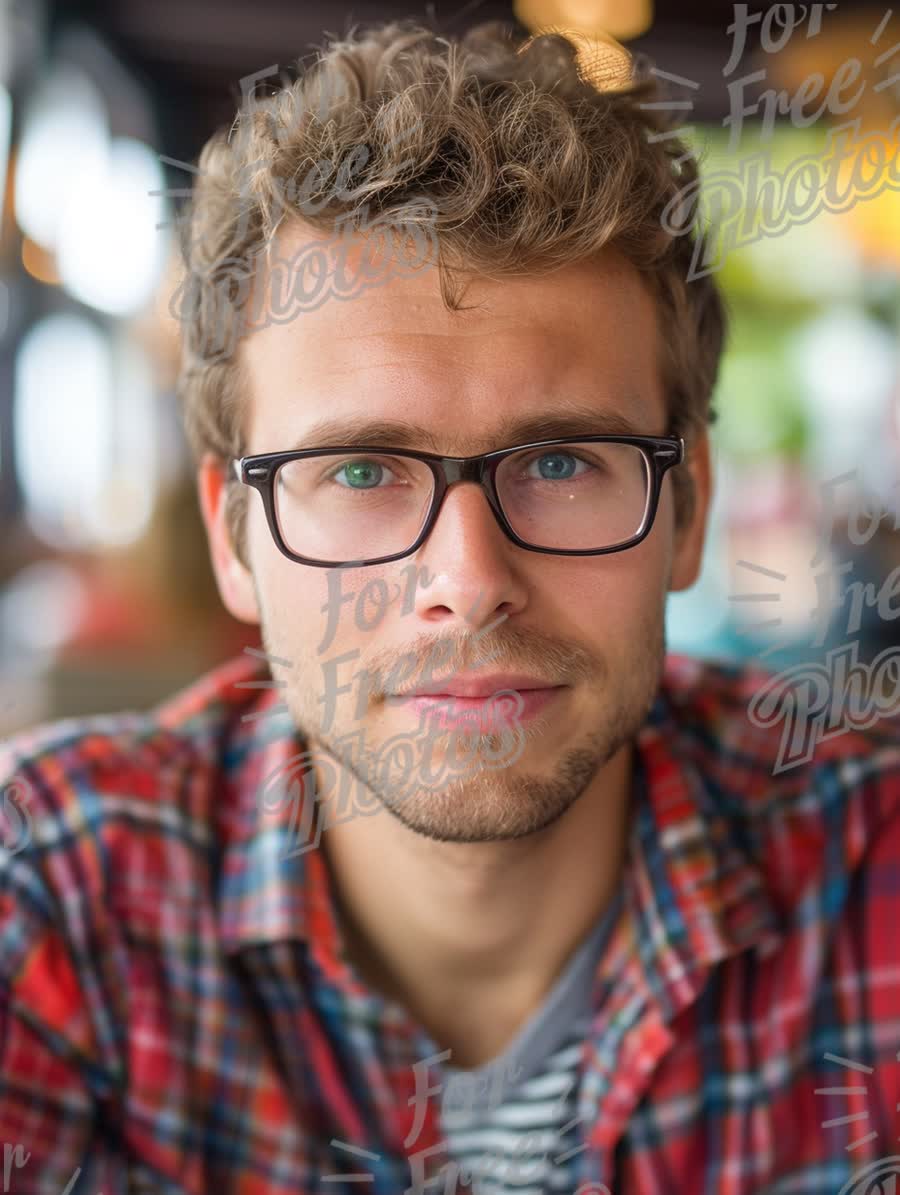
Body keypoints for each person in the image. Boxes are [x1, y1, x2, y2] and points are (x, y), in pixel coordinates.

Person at [1, 18, 898, 1195]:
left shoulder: (872, 866)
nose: (469, 581)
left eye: (566, 461)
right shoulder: (54, 895)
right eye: (363, 473)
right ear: (236, 539)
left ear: (686, 510)